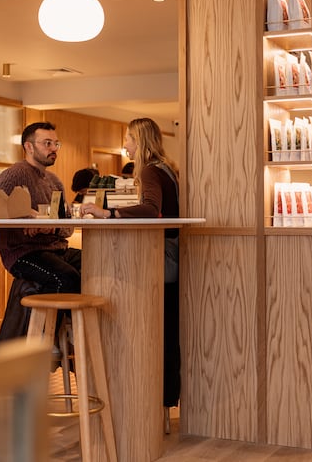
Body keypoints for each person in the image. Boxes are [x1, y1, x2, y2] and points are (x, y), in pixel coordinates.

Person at [81, 117, 181, 409]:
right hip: (174, 256)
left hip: (163, 260)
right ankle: (163, 401)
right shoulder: (167, 168)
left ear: (139, 140)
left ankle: (142, 398)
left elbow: (151, 209)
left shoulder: (150, 171)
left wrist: (107, 213)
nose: (125, 145)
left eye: (127, 138)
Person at [0, 121, 81, 343]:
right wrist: (29, 216)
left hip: (56, 249)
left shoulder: (55, 182)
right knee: (66, 277)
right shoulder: (16, 173)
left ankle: (72, 332)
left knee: (96, 264)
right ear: (29, 147)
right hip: (23, 253)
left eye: (55, 143)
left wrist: (49, 225)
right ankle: (46, 341)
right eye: (47, 143)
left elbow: (67, 226)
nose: (53, 148)